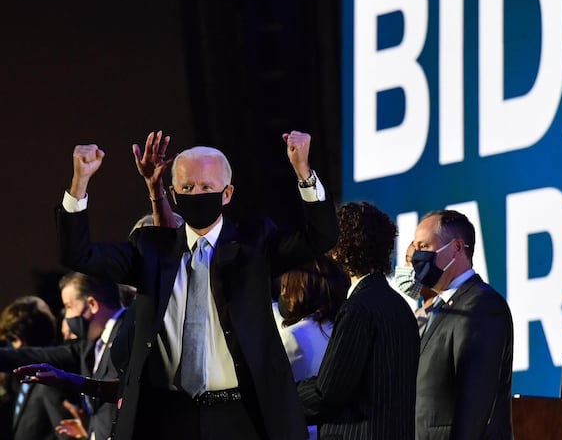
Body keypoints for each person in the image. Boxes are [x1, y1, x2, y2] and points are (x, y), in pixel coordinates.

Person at [55, 130, 338, 440]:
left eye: (207, 186)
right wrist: (79, 182)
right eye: (188, 187)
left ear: (227, 194)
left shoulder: (255, 244)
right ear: (174, 194)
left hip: (243, 415)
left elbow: (321, 237)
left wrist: (303, 171)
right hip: (168, 416)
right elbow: (78, 254)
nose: (197, 194)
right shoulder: (150, 249)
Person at [297, 201, 419, 440]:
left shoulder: (357, 309)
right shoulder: (400, 306)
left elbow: (328, 392)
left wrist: (278, 396)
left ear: (339, 250)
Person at [411, 210, 514, 440]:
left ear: (457, 247)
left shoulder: (481, 304)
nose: (417, 256)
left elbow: (474, 401)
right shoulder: (438, 307)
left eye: (424, 246)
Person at [0, 273, 125, 440]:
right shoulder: (89, 348)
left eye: (68, 306)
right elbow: (33, 355)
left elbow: (125, 391)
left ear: (92, 304)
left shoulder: (128, 334)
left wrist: (68, 380)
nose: (65, 317)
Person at [275, 257, 349, 440]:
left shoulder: (293, 336)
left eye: (286, 285)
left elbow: (274, 395)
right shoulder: (342, 329)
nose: (283, 293)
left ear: (300, 288)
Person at [0, 296, 73, 440]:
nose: (17, 345)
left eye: (15, 338)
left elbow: (66, 434)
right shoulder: (20, 379)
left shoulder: (49, 382)